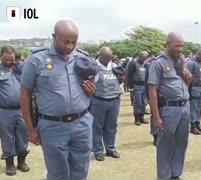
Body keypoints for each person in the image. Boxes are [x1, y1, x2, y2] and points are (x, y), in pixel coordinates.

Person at [20, 20, 98, 180]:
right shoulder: (36, 59)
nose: (70, 46)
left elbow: (90, 87)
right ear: (54, 37)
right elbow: (25, 94)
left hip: (82, 123)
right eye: (66, 41)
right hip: (52, 126)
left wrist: (91, 91)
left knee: (81, 172)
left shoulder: (83, 58)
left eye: (74, 42)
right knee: (58, 174)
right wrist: (30, 129)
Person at [148, 32, 192, 179]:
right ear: (167, 44)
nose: (180, 49)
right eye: (177, 46)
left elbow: (184, 85)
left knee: (181, 143)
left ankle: (175, 174)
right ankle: (164, 176)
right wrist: (156, 116)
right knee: (165, 145)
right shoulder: (158, 63)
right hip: (168, 109)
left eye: (182, 46)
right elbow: (152, 90)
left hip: (185, 107)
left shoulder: (182, 61)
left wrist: (189, 79)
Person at [90, 47, 126, 161]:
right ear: (99, 55)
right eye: (105, 58)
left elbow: (120, 80)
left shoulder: (114, 66)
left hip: (114, 100)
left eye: (109, 58)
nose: (107, 60)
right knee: (97, 127)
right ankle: (98, 151)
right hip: (99, 100)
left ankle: (110, 149)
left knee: (111, 126)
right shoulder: (93, 67)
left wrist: (122, 77)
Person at [0, 46, 29, 176]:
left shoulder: (21, 68)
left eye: (11, 59)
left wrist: (18, 63)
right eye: (5, 59)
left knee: (23, 136)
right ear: (1, 57)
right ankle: (10, 164)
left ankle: (21, 162)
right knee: (7, 138)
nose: (8, 62)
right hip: (4, 111)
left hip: (22, 110)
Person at [187, 49, 201, 135]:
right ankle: (193, 126)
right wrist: (188, 91)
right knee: (193, 107)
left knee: (200, 107)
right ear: (198, 54)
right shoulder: (191, 63)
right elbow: (187, 77)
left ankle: (197, 123)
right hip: (194, 88)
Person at [144, 52, 162, 146]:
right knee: (154, 115)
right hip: (155, 96)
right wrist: (149, 98)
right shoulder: (151, 66)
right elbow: (148, 85)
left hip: (165, 97)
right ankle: (155, 136)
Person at [127, 51, 149, 125]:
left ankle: (142, 118)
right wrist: (131, 87)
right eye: (143, 58)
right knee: (137, 103)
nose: (144, 60)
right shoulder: (133, 64)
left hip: (145, 86)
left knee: (144, 103)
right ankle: (137, 119)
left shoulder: (145, 64)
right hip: (137, 86)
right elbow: (129, 75)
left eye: (145, 58)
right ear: (139, 57)